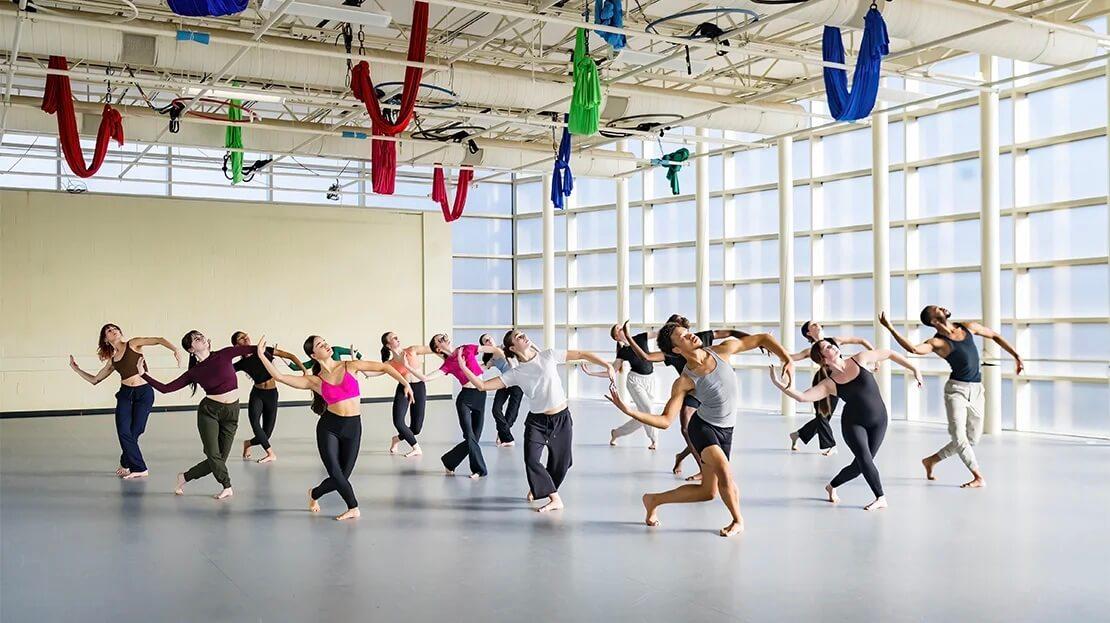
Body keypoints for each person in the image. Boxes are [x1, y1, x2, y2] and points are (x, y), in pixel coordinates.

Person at [606, 323, 793, 537]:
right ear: (676, 350)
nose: (691, 336)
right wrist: (630, 411)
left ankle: (653, 500)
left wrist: (786, 359)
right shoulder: (684, 381)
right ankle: (737, 520)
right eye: (683, 337)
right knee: (724, 470)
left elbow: (762, 339)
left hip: (726, 429)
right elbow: (666, 420)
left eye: (688, 332)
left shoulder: (722, 350)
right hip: (703, 428)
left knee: (708, 492)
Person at [256, 335, 412, 520]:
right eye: (320, 345)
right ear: (314, 355)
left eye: (325, 342)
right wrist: (261, 354)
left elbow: (385, 367)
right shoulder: (314, 381)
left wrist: (406, 384)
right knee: (336, 474)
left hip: (353, 427)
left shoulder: (350, 366)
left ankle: (314, 493)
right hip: (329, 428)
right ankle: (353, 507)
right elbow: (279, 377)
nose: (326, 345)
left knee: (342, 477)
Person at [458, 330, 615, 512]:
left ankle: (541, 488)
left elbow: (581, 354)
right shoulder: (516, 373)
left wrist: (607, 365)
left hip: (561, 418)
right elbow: (483, 386)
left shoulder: (548, 355)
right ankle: (554, 498)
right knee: (531, 460)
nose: (522, 335)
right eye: (517, 336)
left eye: (522, 333)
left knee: (563, 463)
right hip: (537, 422)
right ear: (512, 347)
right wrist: (463, 368)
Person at [771, 338, 923, 511]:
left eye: (831, 344)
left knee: (859, 467)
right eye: (827, 347)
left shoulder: (860, 359)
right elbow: (802, 397)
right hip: (853, 425)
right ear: (823, 359)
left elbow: (888, 353)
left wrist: (915, 369)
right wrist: (779, 384)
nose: (833, 346)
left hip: (880, 421)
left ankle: (831, 486)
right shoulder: (829, 384)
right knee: (865, 461)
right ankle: (880, 497)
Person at [880, 307, 1023, 488]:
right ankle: (978, 476)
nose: (942, 308)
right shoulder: (938, 342)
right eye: (937, 308)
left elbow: (994, 335)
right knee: (959, 437)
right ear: (933, 321)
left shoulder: (967, 327)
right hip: (956, 391)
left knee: (972, 439)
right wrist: (890, 328)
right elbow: (914, 349)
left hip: (977, 389)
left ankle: (931, 460)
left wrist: (1016, 355)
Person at [623, 317, 753, 480]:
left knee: (702, 433)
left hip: (713, 388)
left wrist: (754, 341)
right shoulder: (673, 351)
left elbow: (731, 333)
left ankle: (684, 457)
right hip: (692, 390)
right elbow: (647, 357)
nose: (683, 334)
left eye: (683, 331)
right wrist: (628, 338)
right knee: (687, 428)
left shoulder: (702, 337)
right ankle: (701, 466)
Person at [140, 330, 255, 500]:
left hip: (232, 412)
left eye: (200, 335)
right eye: (195, 338)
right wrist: (143, 374)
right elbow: (166, 388)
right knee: (214, 455)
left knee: (220, 458)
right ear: (191, 349)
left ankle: (184, 477)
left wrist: (271, 351)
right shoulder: (195, 372)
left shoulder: (224, 354)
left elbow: (251, 349)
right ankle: (227, 485)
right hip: (209, 413)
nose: (200, 338)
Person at [68, 324, 184, 479]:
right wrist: (76, 369)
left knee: (136, 431)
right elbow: (95, 380)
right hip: (125, 395)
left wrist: (175, 349)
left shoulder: (133, 344)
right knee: (123, 431)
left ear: (120, 332)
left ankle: (125, 461)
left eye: (115, 328)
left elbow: (158, 339)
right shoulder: (113, 360)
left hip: (144, 394)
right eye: (108, 330)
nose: (113, 331)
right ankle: (140, 468)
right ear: (105, 338)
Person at [420, 334, 503, 479]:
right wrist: (408, 367)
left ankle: (449, 460)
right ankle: (479, 469)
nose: (444, 339)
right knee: (470, 436)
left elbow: (493, 349)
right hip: (465, 399)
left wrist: (506, 359)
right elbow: (426, 378)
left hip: (480, 395)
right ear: (438, 349)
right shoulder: (448, 364)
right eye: (440, 340)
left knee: (475, 438)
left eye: (444, 336)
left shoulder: (467, 348)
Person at [788, 321, 875, 456]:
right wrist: (769, 347)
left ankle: (799, 434)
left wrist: (875, 357)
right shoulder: (810, 350)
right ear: (808, 333)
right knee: (822, 414)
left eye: (817, 323)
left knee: (825, 416)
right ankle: (830, 446)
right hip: (823, 380)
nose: (817, 325)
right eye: (813, 325)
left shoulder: (834, 341)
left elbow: (861, 340)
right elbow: (790, 357)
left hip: (839, 379)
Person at [231, 331, 306, 464]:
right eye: (241, 338)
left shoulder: (265, 350)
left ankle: (248, 443)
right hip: (257, 394)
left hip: (271, 394)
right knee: (255, 423)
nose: (246, 337)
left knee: (266, 434)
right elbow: (222, 369)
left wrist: (304, 370)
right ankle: (270, 453)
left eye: (245, 335)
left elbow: (290, 356)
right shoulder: (241, 363)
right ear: (237, 346)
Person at [604, 323, 660, 449]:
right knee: (649, 410)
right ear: (617, 337)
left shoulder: (640, 337)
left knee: (642, 417)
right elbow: (613, 370)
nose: (622, 328)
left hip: (651, 379)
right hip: (635, 381)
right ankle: (654, 440)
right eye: (618, 329)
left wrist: (673, 328)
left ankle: (616, 433)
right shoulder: (623, 351)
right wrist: (592, 373)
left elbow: (659, 333)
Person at [381, 331, 429, 457]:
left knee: (415, 429)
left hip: (419, 388)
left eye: (397, 336)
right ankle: (416, 448)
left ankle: (396, 439)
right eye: (393, 337)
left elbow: (433, 349)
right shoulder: (389, 363)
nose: (397, 338)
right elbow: (372, 372)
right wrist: (357, 364)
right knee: (398, 421)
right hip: (404, 388)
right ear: (388, 345)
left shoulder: (411, 350)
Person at [480, 333, 523, 448]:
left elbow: (513, 366)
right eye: (486, 341)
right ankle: (506, 436)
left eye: (489, 338)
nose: (489, 341)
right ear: (484, 345)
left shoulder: (506, 347)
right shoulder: (490, 357)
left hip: (517, 381)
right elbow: (482, 368)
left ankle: (504, 435)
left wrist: (501, 354)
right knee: (496, 409)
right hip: (504, 381)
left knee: (512, 412)